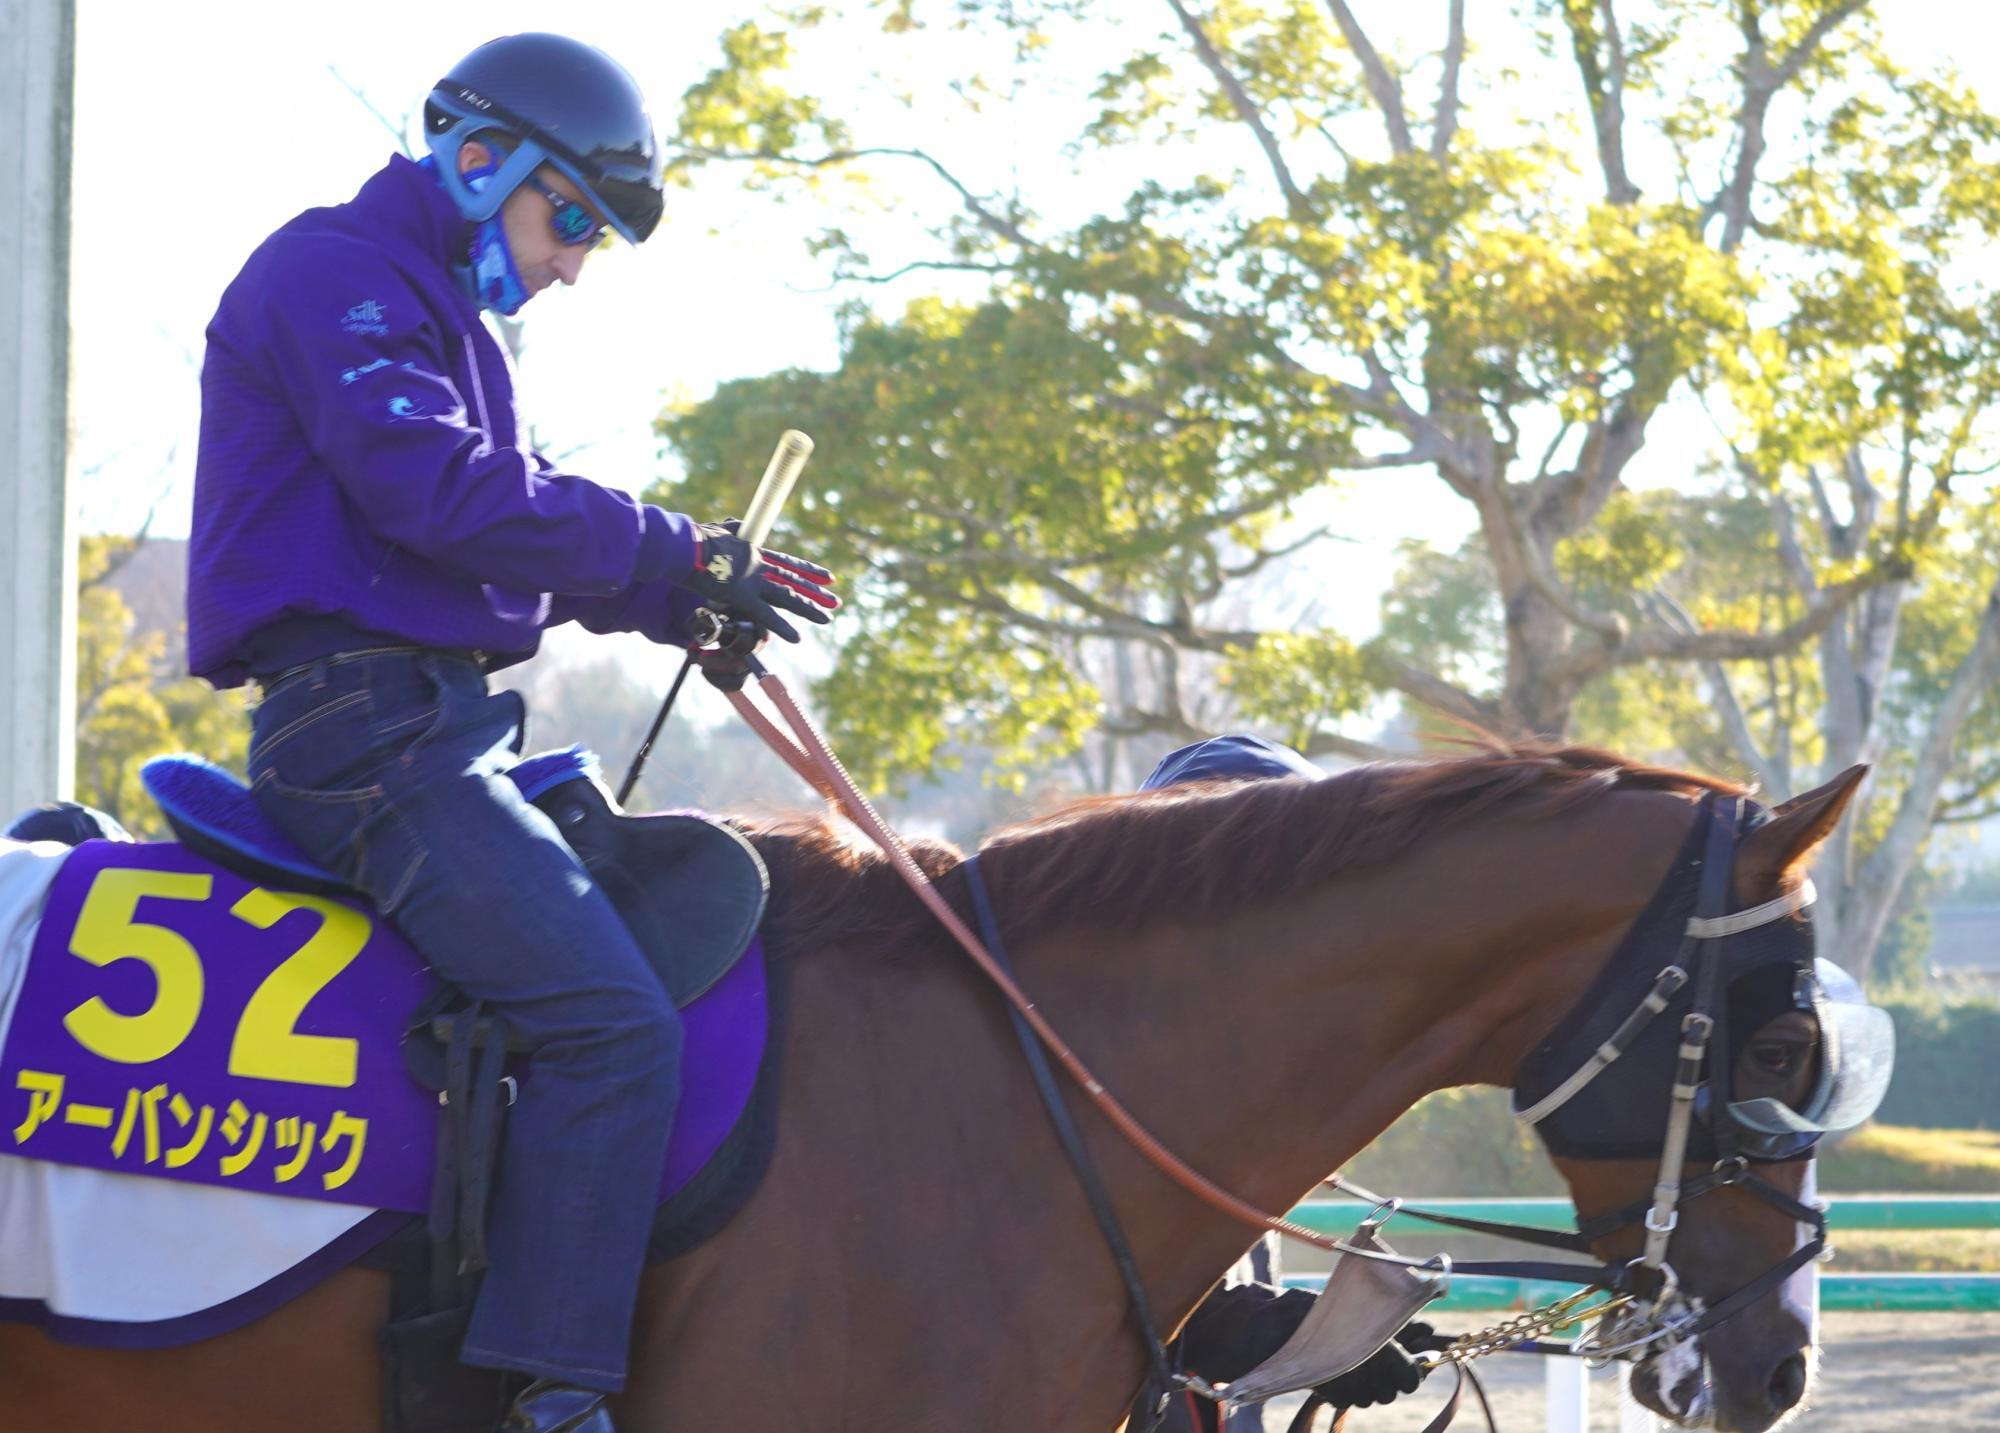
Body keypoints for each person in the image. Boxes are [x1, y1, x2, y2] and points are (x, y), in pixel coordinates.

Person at [187, 33, 837, 1433]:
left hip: (438, 728)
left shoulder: (448, 321)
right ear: (484, 163)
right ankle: (552, 1399)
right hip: (361, 739)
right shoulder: (333, 274)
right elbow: (445, 495)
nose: (572, 264)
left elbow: (495, 526)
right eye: (573, 223)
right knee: (613, 1027)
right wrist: (670, 552)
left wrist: (677, 599)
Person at [1136, 736, 1433, 1432]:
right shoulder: (1112, 1059)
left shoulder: (1240, 1070)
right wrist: (1285, 1332)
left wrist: (1329, 1335)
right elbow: (1104, 1296)